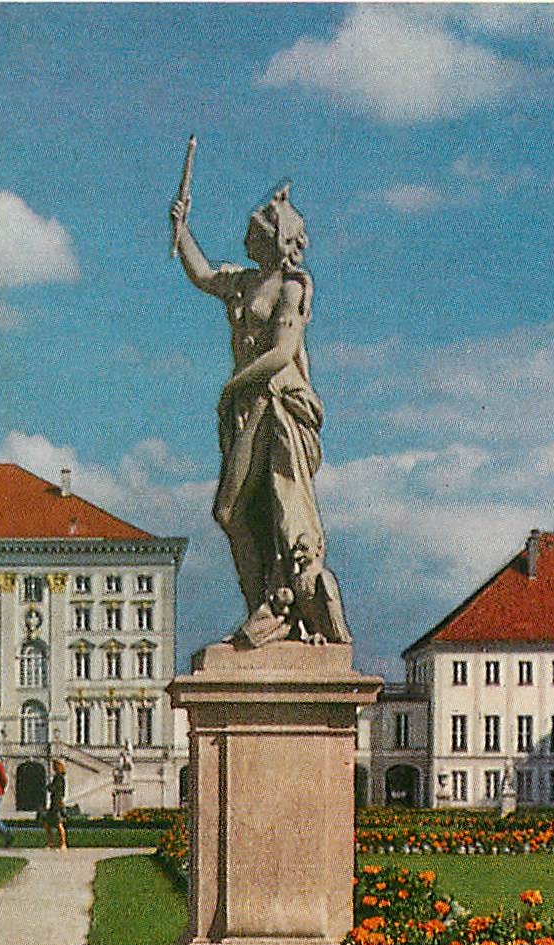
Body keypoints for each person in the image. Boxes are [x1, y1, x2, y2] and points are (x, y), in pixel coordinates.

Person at [171, 175, 350, 647]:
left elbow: (280, 352)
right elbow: (204, 275)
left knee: (254, 509)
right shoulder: (246, 281)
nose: (248, 237)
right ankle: (263, 610)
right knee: (237, 512)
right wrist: (182, 227)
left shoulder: (292, 288)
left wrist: (234, 384)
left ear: (275, 239)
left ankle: (279, 608)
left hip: (276, 405)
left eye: (256, 231)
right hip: (248, 405)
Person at [45, 759, 69, 851]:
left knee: (59, 824)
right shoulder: (57, 777)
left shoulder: (59, 777)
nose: (53, 767)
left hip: (57, 803)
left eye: (54, 765)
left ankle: (63, 844)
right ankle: (51, 843)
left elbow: (55, 789)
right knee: (47, 824)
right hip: (54, 802)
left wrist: (49, 786)